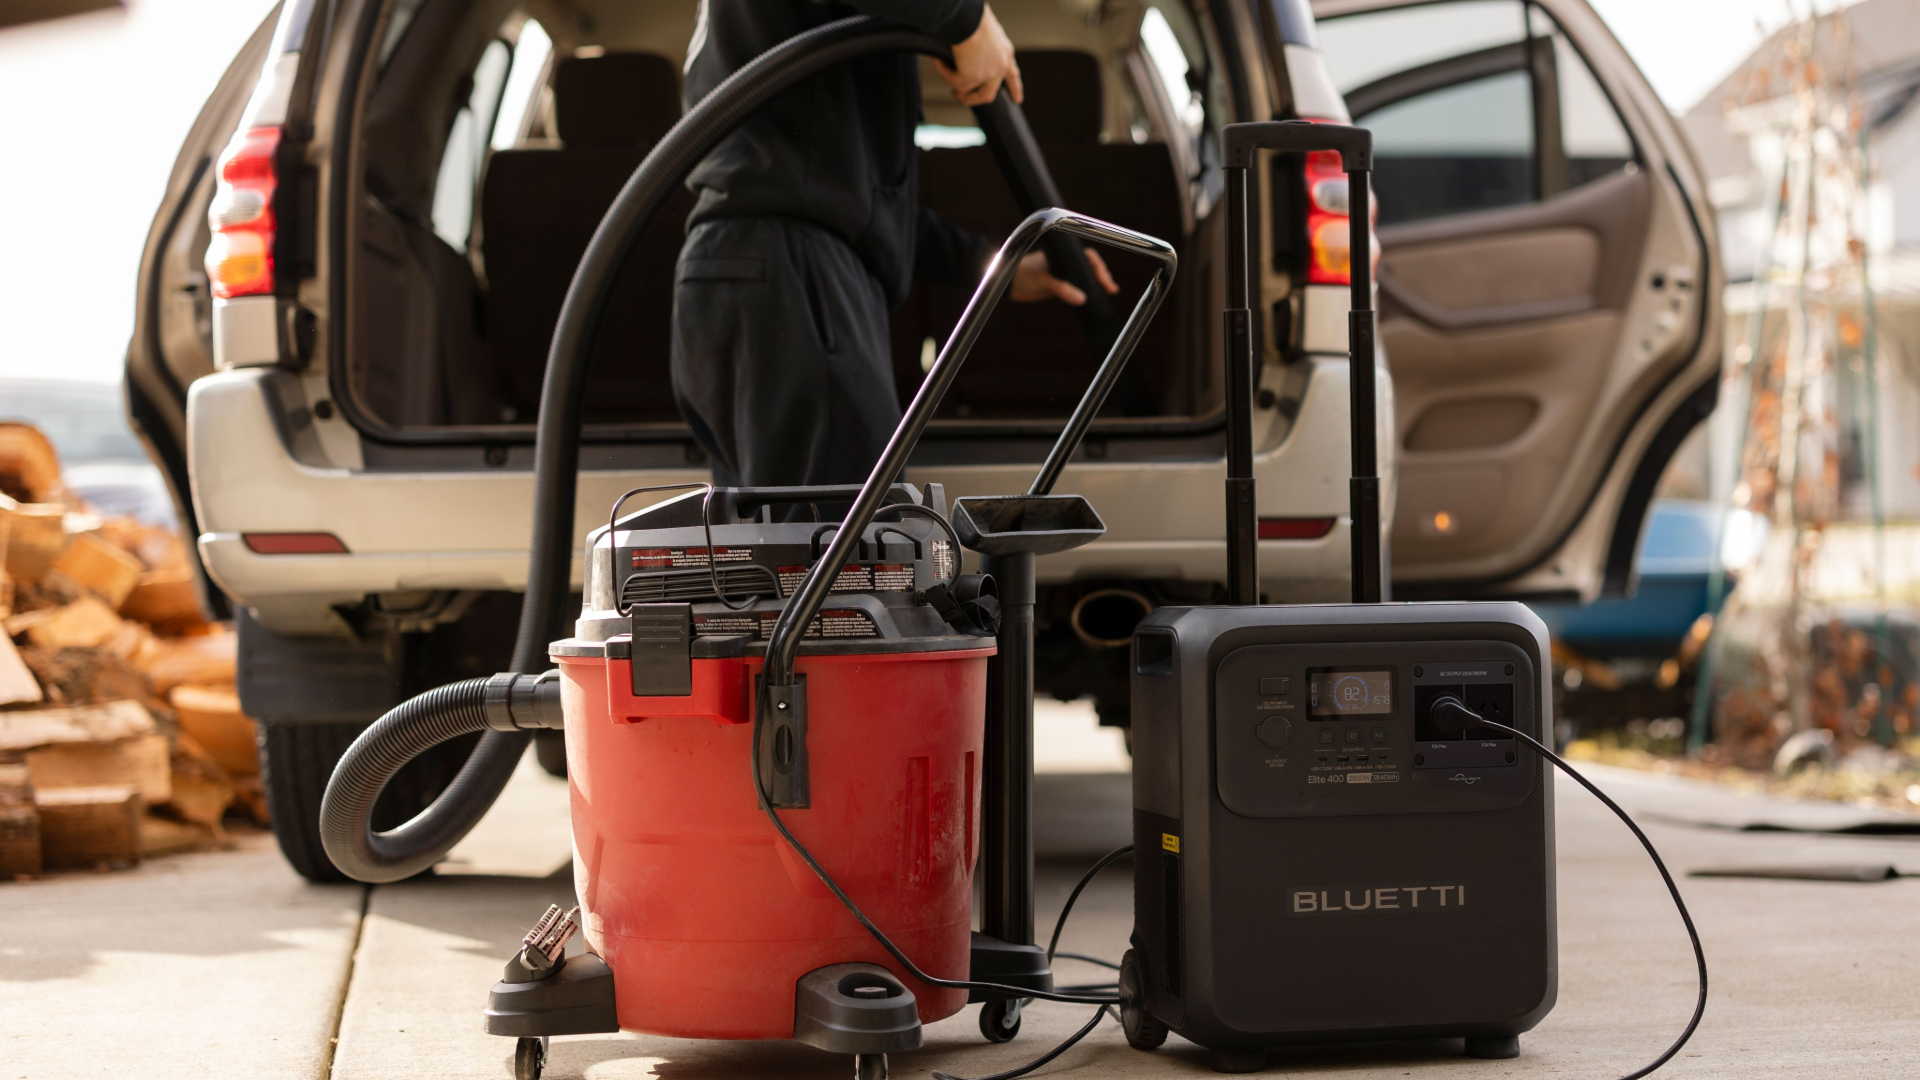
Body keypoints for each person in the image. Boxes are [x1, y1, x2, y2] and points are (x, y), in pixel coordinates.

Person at [672, 0, 1117, 492]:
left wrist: (998, 268)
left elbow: (869, 205)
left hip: (732, 277)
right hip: (798, 278)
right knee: (845, 560)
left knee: (773, 554)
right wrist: (963, 18)